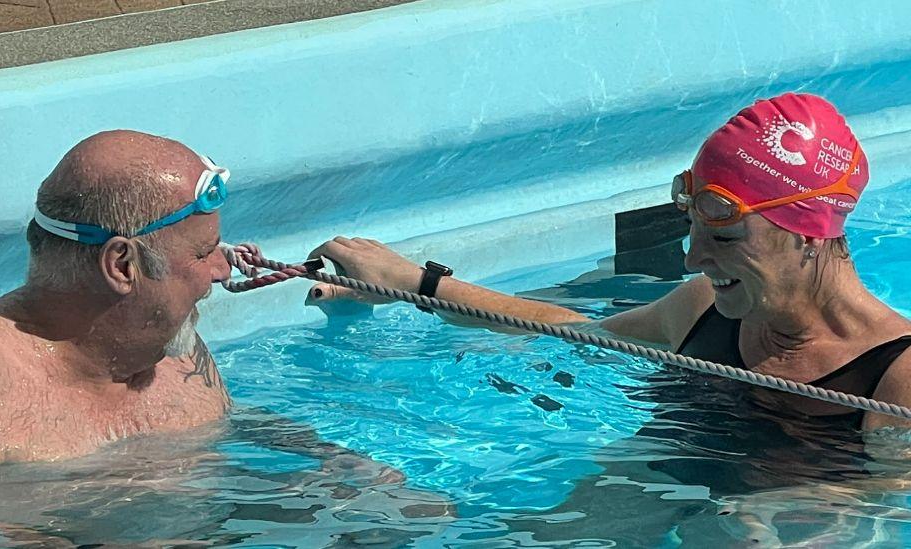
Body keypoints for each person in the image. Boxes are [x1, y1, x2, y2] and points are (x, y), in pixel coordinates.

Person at [306, 92, 911, 432]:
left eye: (724, 241)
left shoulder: (894, 380)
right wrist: (411, 283)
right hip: (650, 487)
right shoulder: (707, 311)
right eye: (693, 230)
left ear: (807, 237)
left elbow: (878, 515)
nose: (694, 257)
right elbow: (563, 329)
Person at [0, 131, 404, 485]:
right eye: (203, 253)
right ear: (122, 266)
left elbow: (228, 422)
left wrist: (328, 458)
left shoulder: (171, 345)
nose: (224, 269)